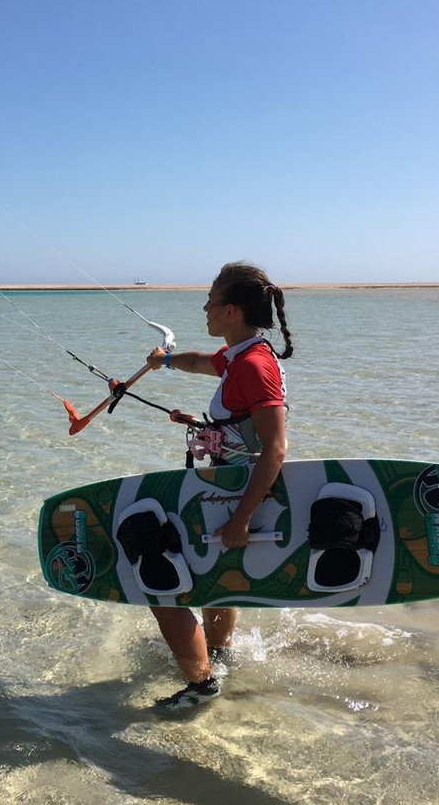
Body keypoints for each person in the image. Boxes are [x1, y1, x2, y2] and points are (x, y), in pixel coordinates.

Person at [144, 260, 293, 710]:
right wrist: (165, 361)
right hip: (225, 486)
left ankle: (201, 684)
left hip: (236, 496)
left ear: (231, 310)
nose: (203, 308)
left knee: (159, 584)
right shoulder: (240, 354)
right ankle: (221, 655)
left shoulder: (253, 365)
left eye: (210, 301)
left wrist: (241, 520)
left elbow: (275, 449)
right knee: (214, 581)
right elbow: (203, 363)